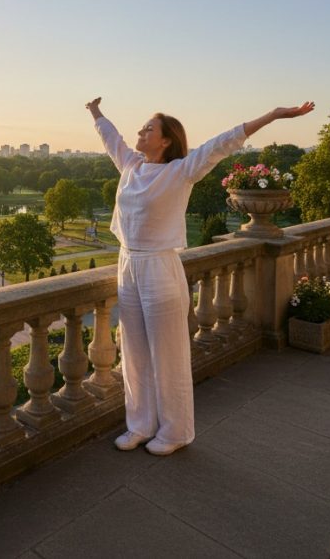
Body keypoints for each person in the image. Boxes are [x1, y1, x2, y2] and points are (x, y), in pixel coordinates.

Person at [86, 96, 314, 456]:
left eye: (148, 129)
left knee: (168, 353)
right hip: (127, 264)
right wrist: (96, 112)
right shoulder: (130, 165)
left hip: (159, 266)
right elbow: (110, 138)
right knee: (133, 352)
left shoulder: (181, 171)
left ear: (166, 140)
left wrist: (273, 115)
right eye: (142, 128)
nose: (140, 132)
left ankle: (175, 431)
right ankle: (140, 425)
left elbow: (223, 143)